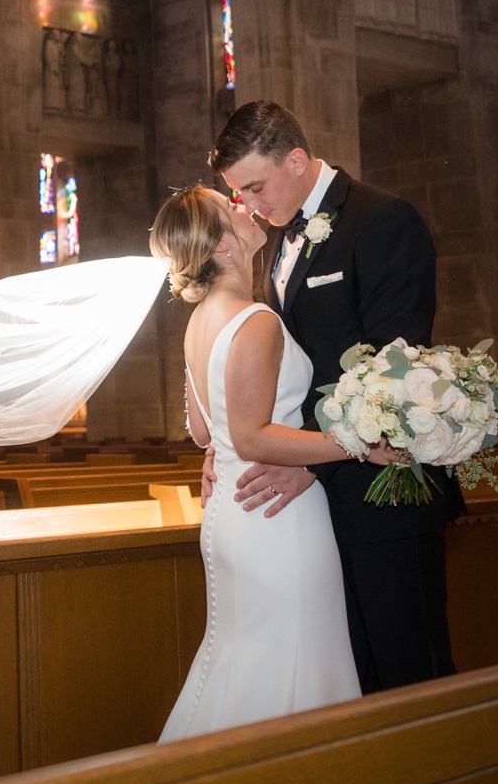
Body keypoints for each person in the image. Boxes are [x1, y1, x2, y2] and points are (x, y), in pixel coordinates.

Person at [212, 100, 464, 694]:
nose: (247, 205)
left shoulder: (383, 221)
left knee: (410, 673)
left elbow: (394, 370)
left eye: (254, 186)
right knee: (352, 679)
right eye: (237, 194)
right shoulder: (277, 243)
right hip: (318, 508)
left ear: (296, 160)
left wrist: (312, 466)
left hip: (384, 496)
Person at [149, 185, 388, 740]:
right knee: (293, 661)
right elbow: (251, 437)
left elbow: (205, 430)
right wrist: (359, 444)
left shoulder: (200, 320)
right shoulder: (254, 319)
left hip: (233, 516)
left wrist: (220, 451)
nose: (243, 206)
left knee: (243, 660)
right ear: (222, 246)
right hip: (278, 521)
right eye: (228, 206)